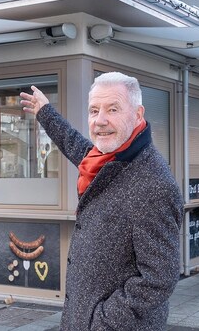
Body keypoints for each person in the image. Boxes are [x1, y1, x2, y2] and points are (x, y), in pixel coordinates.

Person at [20, 72, 183, 330]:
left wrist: (102, 321)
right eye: (94, 110)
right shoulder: (104, 160)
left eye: (113, 109)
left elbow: (159, 277)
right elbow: (74, 144)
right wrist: (45, 112)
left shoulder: (153, 184)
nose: (100, 120)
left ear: (138, 115)